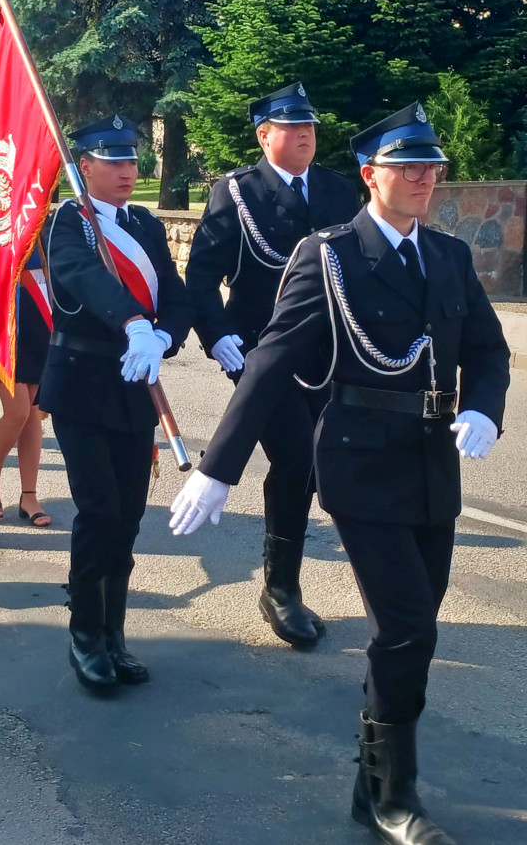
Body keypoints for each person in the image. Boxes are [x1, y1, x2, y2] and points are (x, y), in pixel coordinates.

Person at [169, 103, 510, 845]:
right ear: (369, 176)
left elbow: (488, 349)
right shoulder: (328, 255)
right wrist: (218, 468)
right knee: (409, 627)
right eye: (407, 167)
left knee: (410, 632)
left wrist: (485, 407)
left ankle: (371, 788)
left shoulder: (448, 255)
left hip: (431, 463)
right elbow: (271, 360)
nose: (424, 178)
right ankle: (397, 800)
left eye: (432, 168)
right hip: (359, 459)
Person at [185, 82, 361, 648]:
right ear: (265, 135)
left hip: (329, 351)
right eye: (292, 127)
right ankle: (281, 589)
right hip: (260, 349)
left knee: (315, 462)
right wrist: (217, 337)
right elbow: (202, 273)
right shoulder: (237, 192)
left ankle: (282, 584)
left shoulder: (337, 190)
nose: (306, 134)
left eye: (309, 126)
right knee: (294, 455)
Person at [39, 114, 191, 692]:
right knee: (99, 510)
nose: (128, 171)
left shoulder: (147, 226)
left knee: (127, 517)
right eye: (115, 161)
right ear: (86, 167)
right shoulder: (69, 224)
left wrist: (162, 337)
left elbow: (176, 296)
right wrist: (132, 323)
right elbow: (84, 279)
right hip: (82, 385)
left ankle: (114, 633)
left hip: (135, 384)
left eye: (132, 161)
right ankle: (85, 635)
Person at [0, 247, 52, 526]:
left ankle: (29, 495)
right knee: (18, 411)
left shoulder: (41, 214)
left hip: (37, 311)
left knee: (32, 413)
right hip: (1, 316)